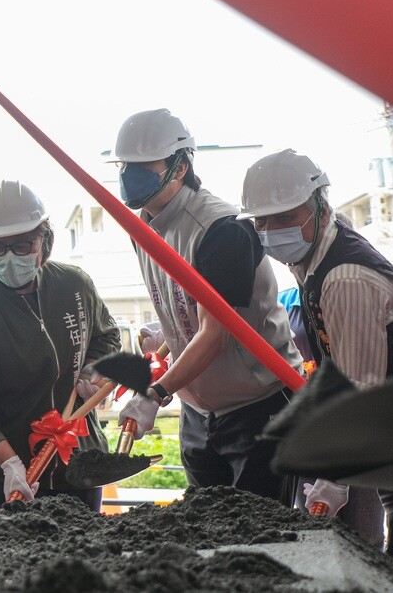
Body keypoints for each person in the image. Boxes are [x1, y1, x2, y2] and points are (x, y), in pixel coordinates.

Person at [111, 109, 301, 503]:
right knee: (203, 526)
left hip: (257, 407)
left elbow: (214, 336)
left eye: (144, 166)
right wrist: (171, 331)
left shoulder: (222, 230)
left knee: (258, 532)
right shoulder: (143, 227)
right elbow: (193, 310)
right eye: (125, 165)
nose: (130, 175)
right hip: (198, 410)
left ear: (180, 166)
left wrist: (154, 394)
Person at [241, 149, 393, 549]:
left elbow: (359, 388)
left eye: (286, 217)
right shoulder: (316, 251)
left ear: (319, 206)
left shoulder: (345, 278)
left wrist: (332, 476)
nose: (272, 230)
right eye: (262, 221)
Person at [0, 181, 121, 512]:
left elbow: (107, 336)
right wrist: (10, 464)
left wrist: (94, 369)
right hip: (4, 470)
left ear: (46, 240)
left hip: (79, 459)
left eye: (23, 245)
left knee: (83, 555)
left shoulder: (74, 285)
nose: (10, 257)